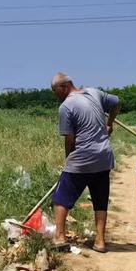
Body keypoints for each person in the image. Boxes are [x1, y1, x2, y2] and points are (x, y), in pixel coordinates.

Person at [51, 72, 120, 253]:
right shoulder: (94, 92)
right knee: (100, 199)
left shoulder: (66, 106)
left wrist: (68, 160)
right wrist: (109, 123)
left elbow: (70, 139)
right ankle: (100, 242)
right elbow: (116, 102)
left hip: (83, 157)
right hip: (104, 157)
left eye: (55, 91)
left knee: (61, 198)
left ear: (64, 87)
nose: (55, 96)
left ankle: (59, 237)